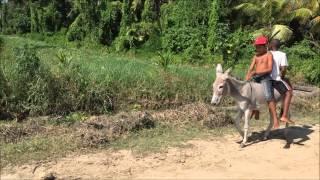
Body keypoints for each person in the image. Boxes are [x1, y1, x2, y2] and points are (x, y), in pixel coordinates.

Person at [245, 36, 280, 128]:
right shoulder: (256, 56)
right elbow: (251, 68)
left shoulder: (269, 55)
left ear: (266, 46)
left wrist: (256, 72)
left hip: (265, 78)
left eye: (259, 47)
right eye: (256, 47)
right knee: (250, 94)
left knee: (268, 96)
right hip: (256, 78)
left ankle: (275, 119)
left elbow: (269, 69)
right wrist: (248, 76)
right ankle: (256, 111)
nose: (257, 49)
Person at [269, 39, 294, 124]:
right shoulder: (282, 54)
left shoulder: (266, 53)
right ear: (279, 46)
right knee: (289, 93)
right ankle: (284, 116)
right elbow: (283, 69)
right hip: (275, 80)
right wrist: (282, 77)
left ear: (271, 45)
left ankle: (255, 110)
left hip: (265, 79)